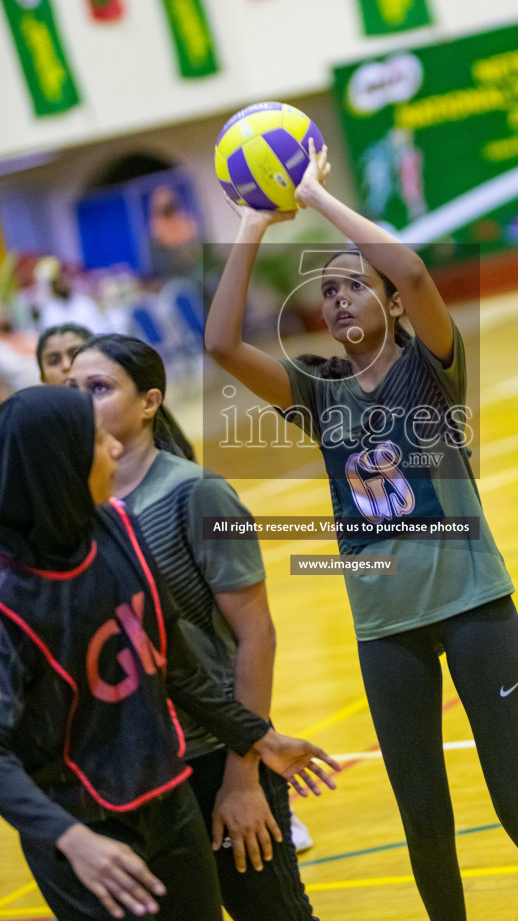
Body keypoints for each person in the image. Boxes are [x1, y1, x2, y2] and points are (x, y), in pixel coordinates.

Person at [204, 141, 518, 921]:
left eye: (356, 286)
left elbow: (414, 273)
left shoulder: (432, 367)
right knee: (425, 825)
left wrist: (315, 198)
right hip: (384, 630)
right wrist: (252, 223)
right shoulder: (317, 395)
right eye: (330, 290)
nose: (340, 299)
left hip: (475, 608)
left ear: (388, 304)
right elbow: (219, 345)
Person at [0, 385, 339, 921]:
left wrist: (254, 735)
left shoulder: (117, 527)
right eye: (97, 440)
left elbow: (169, 659)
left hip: (167, 798)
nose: (114, 449)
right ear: (58, 462)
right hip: (85, 833)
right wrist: (69, 839)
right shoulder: (10, 595)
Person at [67, 335, 317, 920]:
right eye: (72, 390)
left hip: (216, 754)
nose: (82, 402)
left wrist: (242, 776)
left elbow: (257, 635)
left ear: (150, 401)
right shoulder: (77, 512)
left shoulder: (195, 493)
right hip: (143, 770)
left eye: (99, 388)